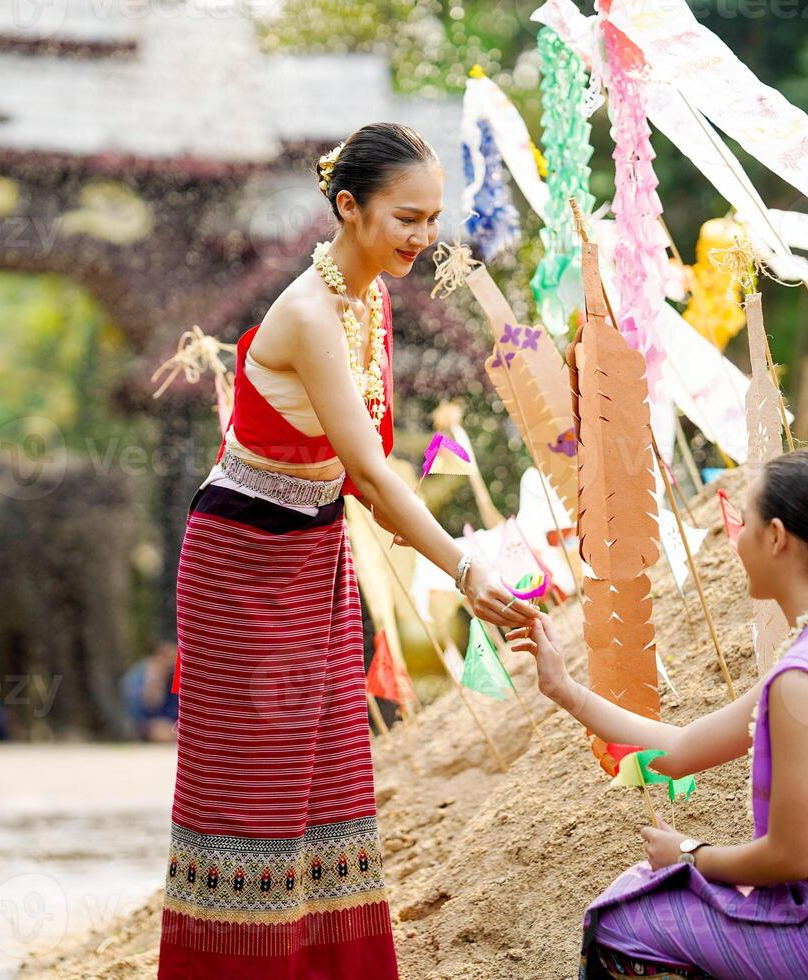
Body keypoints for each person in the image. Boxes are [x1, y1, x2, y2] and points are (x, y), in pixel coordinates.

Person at [157, 122, 539, 980]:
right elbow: (370, 471)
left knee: (328, 793)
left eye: (432, 217)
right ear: (347, 208)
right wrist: (466, 568)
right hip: (241, 566)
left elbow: (356, 479)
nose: (422, 236)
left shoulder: (370, 298)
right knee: (252, 810)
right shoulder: (310, 312)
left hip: (313, 558)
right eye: (406, 217)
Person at [508, 448, 808, 979]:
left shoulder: (804, 678)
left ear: (775, 536)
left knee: (619, 927)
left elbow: (789, 859)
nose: (734, 537)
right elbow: (677, 751)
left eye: (743, 521)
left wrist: (690, 853)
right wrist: (564, 689)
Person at [122, 639, 178, 743]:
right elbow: (148, 707)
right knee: (162, 733)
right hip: (147, 724)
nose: (173, 664)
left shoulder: (177, 674)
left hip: (172, 723)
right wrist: (157, 678)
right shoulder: (140, 675)